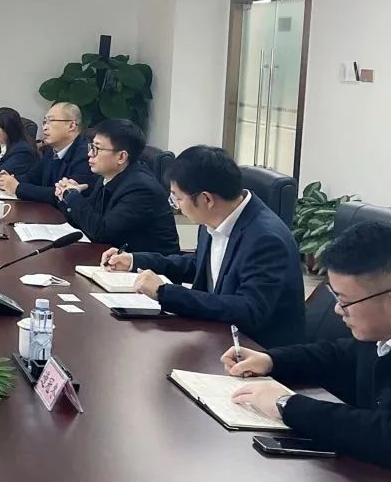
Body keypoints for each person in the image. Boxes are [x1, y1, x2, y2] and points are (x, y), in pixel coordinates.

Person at [101, 145, 304, 348]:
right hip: (215, 334)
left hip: (254, 350)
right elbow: (198, 264)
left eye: (177, 198)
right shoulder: (215, 217)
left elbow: (248, 310)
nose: (176, 205)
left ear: (206, 199)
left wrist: (165, 293)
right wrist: (134, 260)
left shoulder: (266, 239)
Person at [225, 221, 391, 468]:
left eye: (345, 301)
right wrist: (271, 360)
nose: (337, 310)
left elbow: (384, 436)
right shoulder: (378, 336)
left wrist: (287, 405)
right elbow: (340, 354)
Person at [58, 118, 178, 252]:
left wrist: (73, 197)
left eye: (97, 148)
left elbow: (103, 232)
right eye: (91, 147)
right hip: (115, 256)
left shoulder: (141, 189)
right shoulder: (108, 176)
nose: (90, 154)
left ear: (121, 157)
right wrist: (66, 197)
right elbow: (89, 221)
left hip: (147, 263)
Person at [0, 102, 93, 203]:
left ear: (71, 125)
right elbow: (32, 177)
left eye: (51, 121)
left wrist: (18, 188)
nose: (45, 127)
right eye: (44, 122)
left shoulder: (87, 155)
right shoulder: (51, 150)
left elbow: (63, 195)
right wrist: (8, 180)